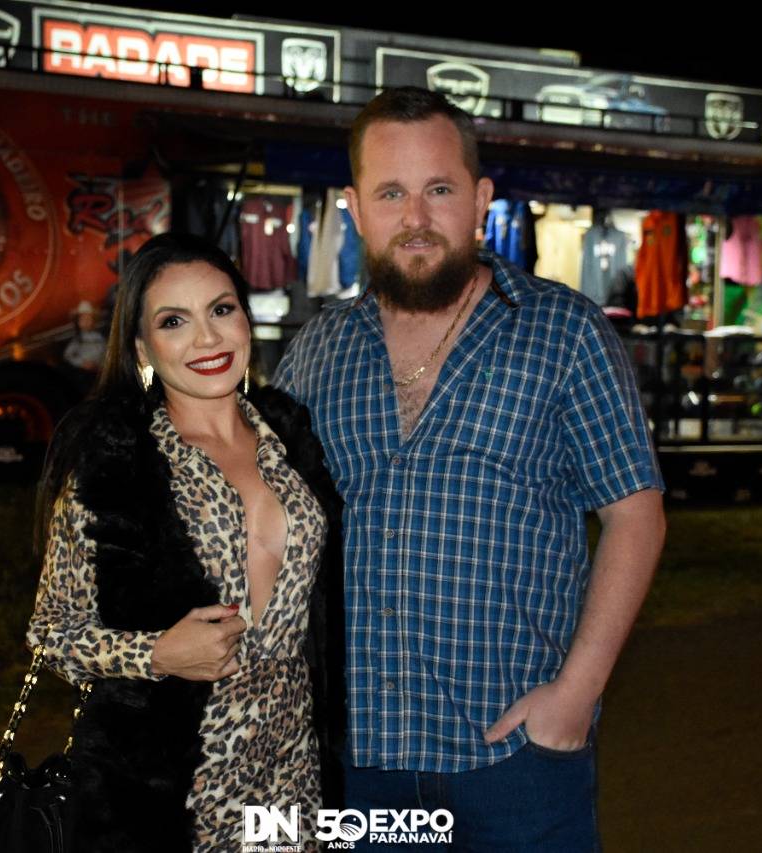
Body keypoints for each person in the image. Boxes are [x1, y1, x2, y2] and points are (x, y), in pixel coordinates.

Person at [274, 87, 666, 850]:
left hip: (515, 759)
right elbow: (270, 528)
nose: (416, 217)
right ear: (355, 208)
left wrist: (576, 693)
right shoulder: (315, 354)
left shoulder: (565, 333)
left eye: (440, 190)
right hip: (356, 763)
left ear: (481, 199)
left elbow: (635, 514)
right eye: (391, 193)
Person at [27, 233, 343, 852]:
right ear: (142, 347)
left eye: (221, 310)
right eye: (175, 321)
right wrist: (159, 653)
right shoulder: (117, 463)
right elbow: (51, 633)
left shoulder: (291, 438)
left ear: (245, 318)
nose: (207, 338)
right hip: (174, 783)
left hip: (292, 770)